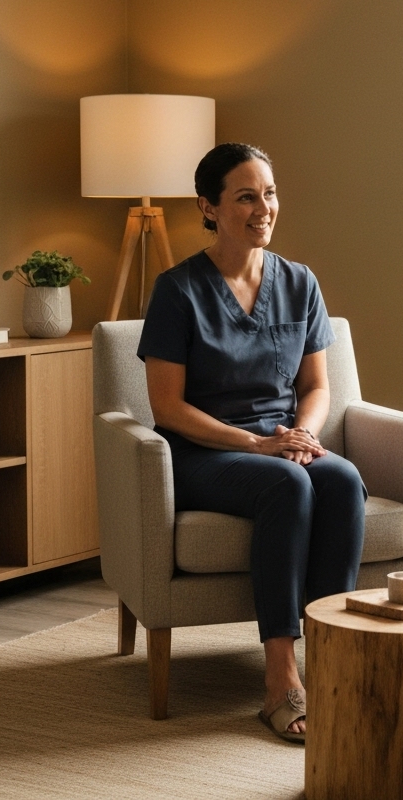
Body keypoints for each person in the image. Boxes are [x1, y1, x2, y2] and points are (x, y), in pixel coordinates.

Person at [137, 142, 366, 744]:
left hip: (281, 443)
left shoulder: (299, 281)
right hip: (202, 451)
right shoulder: (177, 289)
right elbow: (167, 407)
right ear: (209, 208)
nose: (263, 207)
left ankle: (337, 665)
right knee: (286, 483)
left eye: (269, 193)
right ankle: (280, 680)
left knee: (339, 477)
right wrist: (256, 445)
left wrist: (304, 437)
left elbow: (318, 385)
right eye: (245, 196)